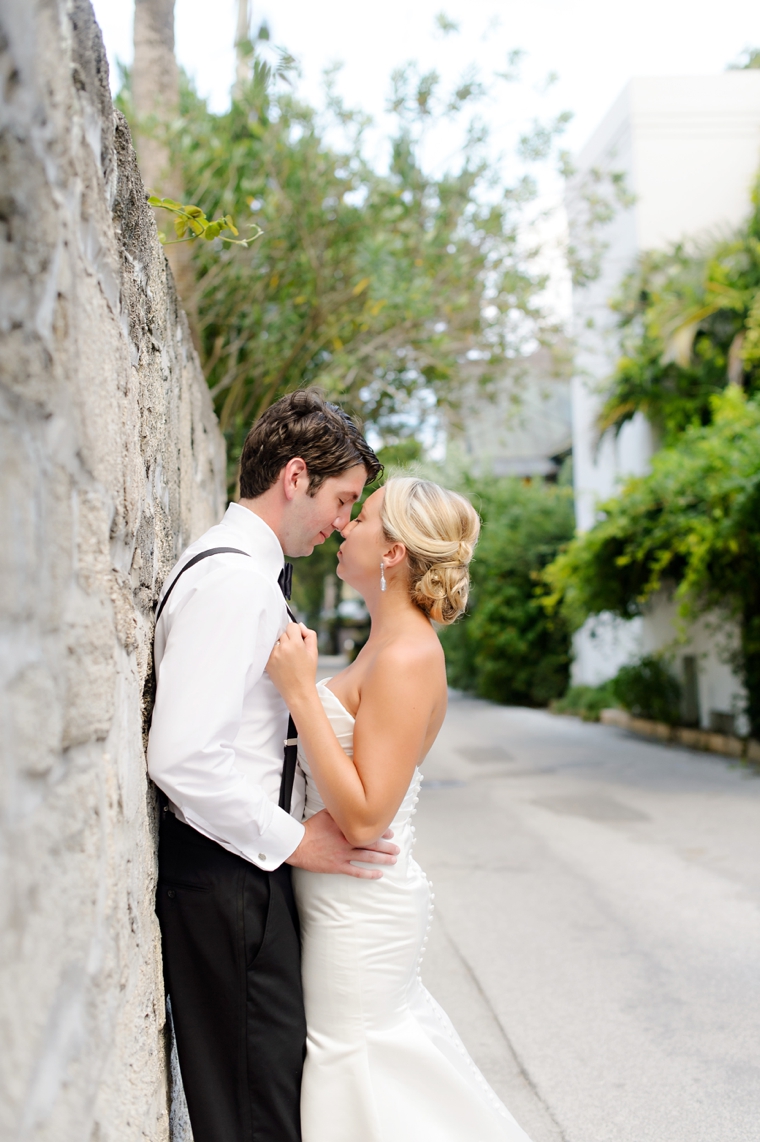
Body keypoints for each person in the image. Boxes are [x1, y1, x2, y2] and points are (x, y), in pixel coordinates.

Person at [147, 390, 399, 1142]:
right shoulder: (235, 584)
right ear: (296, 477)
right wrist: (298, 841)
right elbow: (182, 756)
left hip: (239, 876)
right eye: (342, 499)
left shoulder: (243, 575)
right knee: (255, 1119)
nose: (344, 522)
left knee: (261, 1104)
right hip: (230, 881)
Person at [267, 475, 534, 1142]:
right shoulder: (387, 644)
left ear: (392, 554)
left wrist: (302, 694)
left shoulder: (409, 655)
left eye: (365, 517)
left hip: (359, 910)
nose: (347, 524)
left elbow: (364, 818)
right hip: (343, 898)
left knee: (357, 1071)